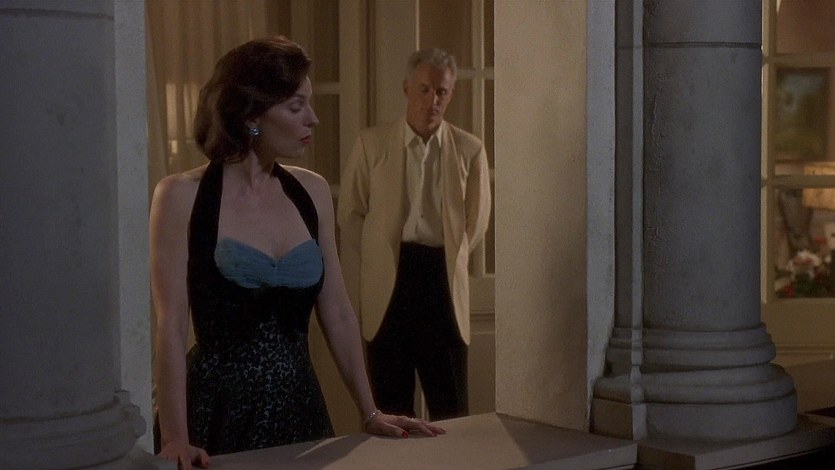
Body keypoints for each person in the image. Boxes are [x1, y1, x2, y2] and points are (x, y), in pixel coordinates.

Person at [150, 35, 444, 469]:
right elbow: (172, 326)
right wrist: (176, 438)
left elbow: (338, 312)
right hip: (218, 412)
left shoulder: (311, 191)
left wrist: (370, 411)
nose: (313, 118)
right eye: (295, 106)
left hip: (299, 408)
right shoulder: (181, 196)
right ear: (251, 115)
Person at [337, 48, 491, 421]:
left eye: (441, 92)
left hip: (442, 282)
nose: (432, 100)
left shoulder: (470, 149)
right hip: (390, 284)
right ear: (407, 88)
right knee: (391, 409)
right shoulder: (371, 144)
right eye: (424, 89)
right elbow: (350, 213)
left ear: (450, 94)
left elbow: (477, 220)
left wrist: (454, 256)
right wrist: (378, 255)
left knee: (451, 410)